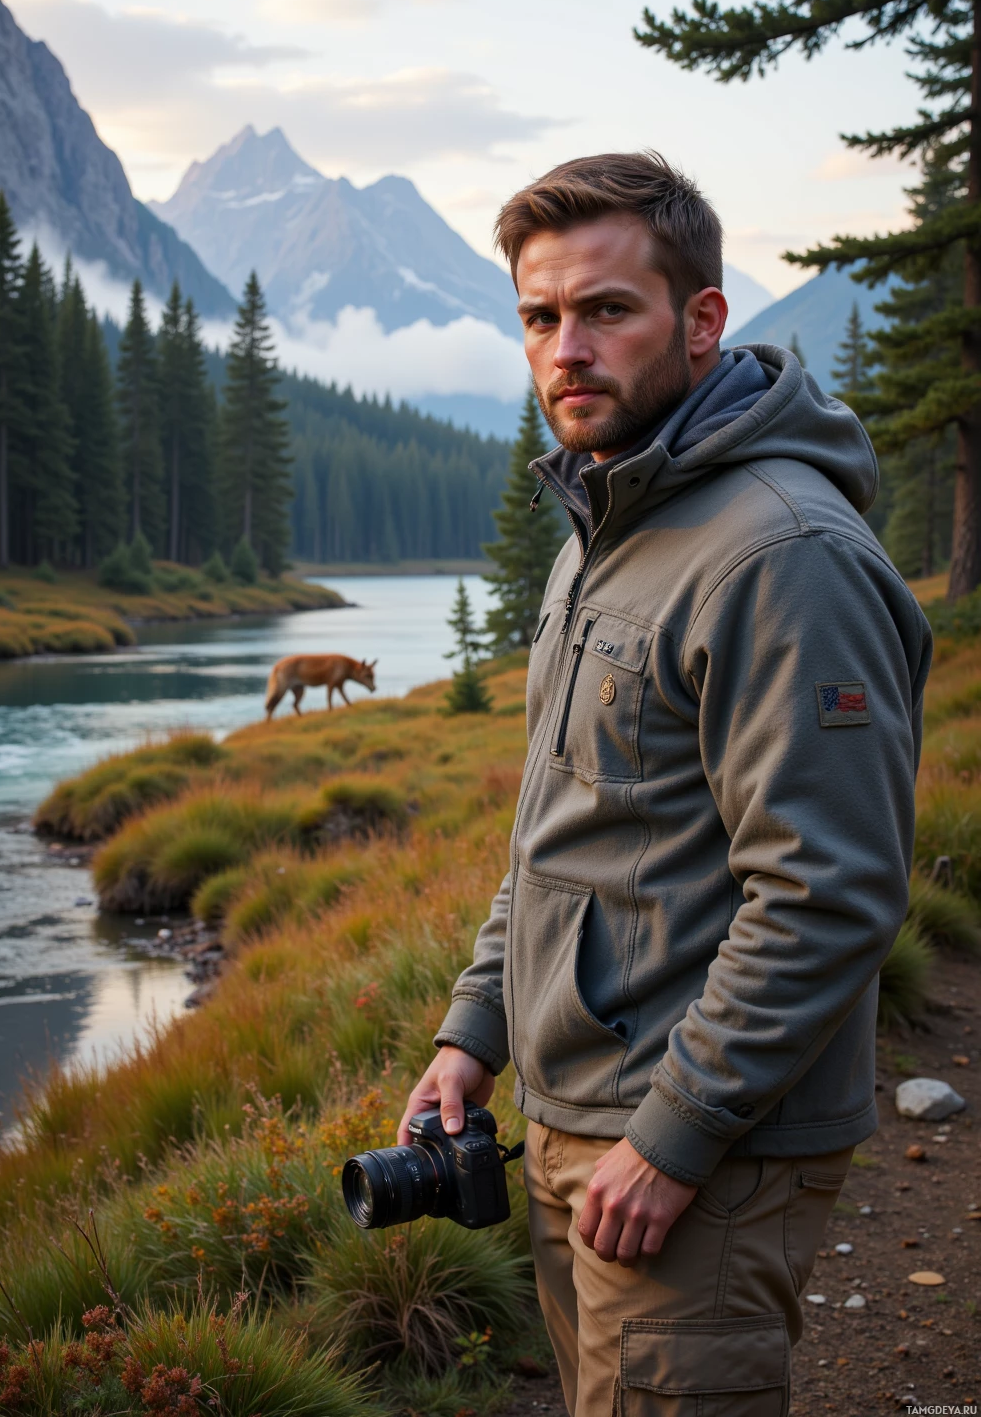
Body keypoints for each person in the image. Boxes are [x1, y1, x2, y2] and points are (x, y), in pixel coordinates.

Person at [398, 152, 931, 1416]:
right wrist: (475, 1031)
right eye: (540, 317)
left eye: (605, 310)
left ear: (701, 321)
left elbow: (832, 892)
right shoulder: (609, 524)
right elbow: (560, 829)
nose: (565, 348)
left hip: (697, 1149)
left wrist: (675, 1135)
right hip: (580, 1113)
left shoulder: (778, 553)